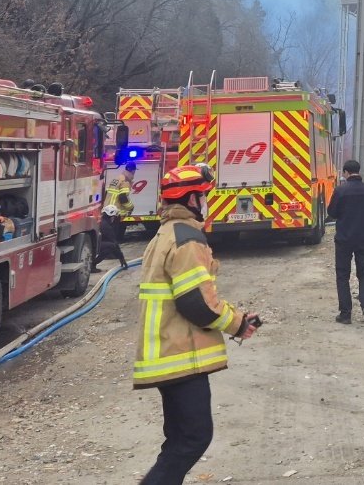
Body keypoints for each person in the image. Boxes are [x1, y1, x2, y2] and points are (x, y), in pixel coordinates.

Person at [133, 164, 262, 485]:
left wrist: (233, 316)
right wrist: (237, 324)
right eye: (203, 196)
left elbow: (191, 295)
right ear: (191, 199)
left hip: (166, 353)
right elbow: (195, 303)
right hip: (180, 355)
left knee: (178, 441)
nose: (205, 202)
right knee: (194, 438)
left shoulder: (165, 233)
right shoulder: (187, 238)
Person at [327, 159, 364, 323]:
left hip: (344, 239)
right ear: (358, 171)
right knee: (363, 272)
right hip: (363, 238)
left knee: (343, 275)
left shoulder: (340, 191)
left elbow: (332, 212)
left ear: (346, 172)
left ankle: (345, 314)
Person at [93, 203, 128, 271]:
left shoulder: (101, 221)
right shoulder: (106, 226)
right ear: (112, 217)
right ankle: (93, 265)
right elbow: (114, 242)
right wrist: (121, 258)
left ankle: (92, 264)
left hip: (93, 243)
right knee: (111, 246)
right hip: (95, 245)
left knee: (109, 245)